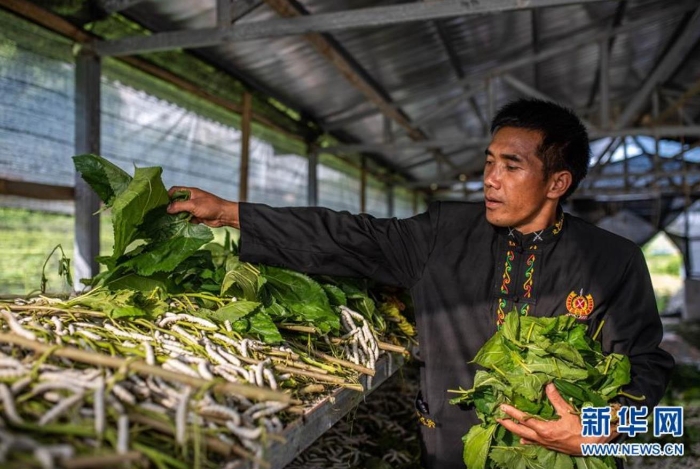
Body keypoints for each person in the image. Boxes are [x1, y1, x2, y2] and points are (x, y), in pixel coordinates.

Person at [167, 98, 674, 468]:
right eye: (489, 162)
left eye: (511, 166)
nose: (490, 179)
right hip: (450, 453)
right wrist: (233, 213)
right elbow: (346, 236)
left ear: (557, 183)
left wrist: (598, 433)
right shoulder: (442, 233)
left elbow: (647, 368)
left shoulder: (613, 260)